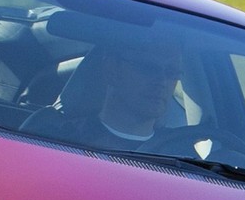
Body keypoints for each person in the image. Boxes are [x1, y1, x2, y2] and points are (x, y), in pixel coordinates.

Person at [23, 34, 199, 158]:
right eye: (148, 68)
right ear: (112, 69)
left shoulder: (184, 153)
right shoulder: (54, 136)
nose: (162, 81)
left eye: (171, 73)